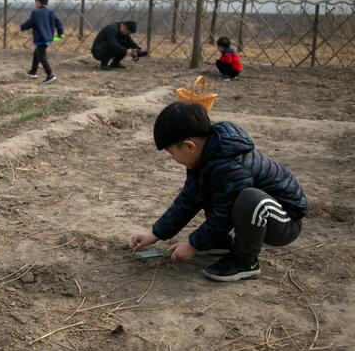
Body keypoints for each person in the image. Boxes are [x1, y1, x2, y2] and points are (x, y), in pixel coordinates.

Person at [131, 102, 307, 282]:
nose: (173, 159)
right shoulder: (205, 158)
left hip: (283, 221)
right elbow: (188, 199)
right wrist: (156, 233)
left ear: (189, 146)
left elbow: (224, 213)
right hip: (257, 215)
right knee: (210, 189)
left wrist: (193, 244)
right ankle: (218, 242)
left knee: (249, 198)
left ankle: (244, 261)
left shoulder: (230, 165)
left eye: (171, 153)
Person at [20, 0, 63, 85]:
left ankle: (50, 74)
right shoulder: (51, 12)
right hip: (48, 38)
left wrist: (22, 27)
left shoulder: (36, 12)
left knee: (42, 56)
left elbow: (29, 23)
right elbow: (58, 23)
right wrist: (60, 34)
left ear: (38, 2)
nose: (35, 4)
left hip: (41, 38)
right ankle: (33, 71)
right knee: (37, 53)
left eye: (35, 2)